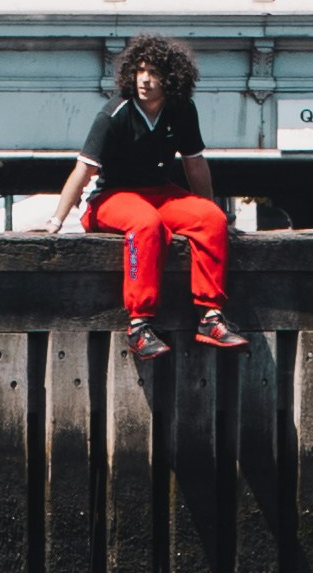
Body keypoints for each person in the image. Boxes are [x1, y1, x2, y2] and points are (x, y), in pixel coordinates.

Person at [51, 32, 240, 350]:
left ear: (171, 78)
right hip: (110, 197)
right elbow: (84, 169)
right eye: (140, 71)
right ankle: (139, 324)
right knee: (146, 224)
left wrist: (208, 210)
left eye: (154, 73)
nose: (145, 80)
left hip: (160, 192)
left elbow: (195, 164)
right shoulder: (115, 113)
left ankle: (210, 318)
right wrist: (56, 220)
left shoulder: (181, 110)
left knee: (211, 219)